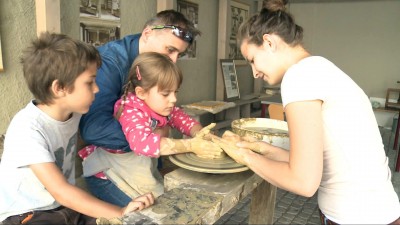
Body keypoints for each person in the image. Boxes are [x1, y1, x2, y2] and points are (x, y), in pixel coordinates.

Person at [213, 0, 400, 224]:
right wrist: (261, 148)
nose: (254, 72)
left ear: (269, 42)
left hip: (358, 216)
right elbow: (317, 162)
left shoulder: (300, 77)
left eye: (253, 60)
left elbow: (303, 181)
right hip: (378, 211)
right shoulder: (318, 67)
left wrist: (244, 156)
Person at [0, 32, 154, 225]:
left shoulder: (74, 112)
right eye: (90, 82)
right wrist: (121, 211)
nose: (97, 89)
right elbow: (61, 191)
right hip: (27, 214)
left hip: (64, 208)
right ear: (59, 88)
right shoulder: (27, 128)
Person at [77, 9, 215, 206]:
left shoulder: (155, 65)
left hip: (141, 161)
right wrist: (155, 135)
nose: (174, 60)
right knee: (158, 213)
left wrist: (200, 133)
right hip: (110, 169)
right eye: (170, 50)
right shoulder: (110, 63)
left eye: (179, 54)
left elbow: (175, 115)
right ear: (148, 33)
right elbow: (93, 130)